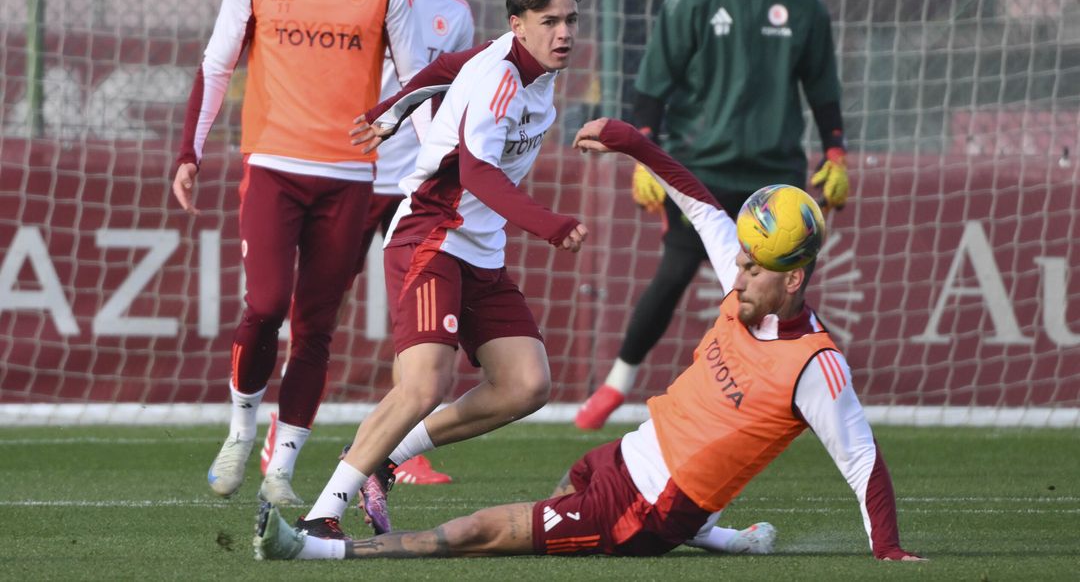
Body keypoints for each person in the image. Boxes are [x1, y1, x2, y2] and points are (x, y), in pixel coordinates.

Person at [254, 117, 924, 563]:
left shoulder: (815, 366)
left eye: (754, 269)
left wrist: (889, 553)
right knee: (560, 487)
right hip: (623, 457)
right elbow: (698, 203)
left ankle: (314, 549)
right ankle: (717, 534)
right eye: (741, 262)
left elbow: (862, 460)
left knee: (482, 531)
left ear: (796, 279)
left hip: (643, 511)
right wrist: (633, 142)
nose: (736, 277)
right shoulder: (746, 283)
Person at [288, 0, 588, 540]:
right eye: (550, 21)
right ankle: (322, 513)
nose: (565, 33)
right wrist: (548, 224)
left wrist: (390, 111)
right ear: (518, 24)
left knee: (526, 385)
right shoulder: (500, 74)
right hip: (431, 237)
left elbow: (448, 63)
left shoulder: (529, 66)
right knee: (424, 384)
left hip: (480, 250)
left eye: (571, 20)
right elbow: (476, 173)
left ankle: (388, 455)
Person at [172, 0, 427, 507]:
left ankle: (281, 468)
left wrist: (422, 153)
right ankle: (240, 429)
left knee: (315, 327)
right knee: (264, 306)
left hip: (349, 180)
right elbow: (216, 63)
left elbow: (422, 83)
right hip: (274, 168)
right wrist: (189, 154)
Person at [576, 0, 852, 430]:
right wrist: (645, 159)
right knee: (676, 270)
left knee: (782, 291)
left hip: (775, 176)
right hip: (702, 167)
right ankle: (616, 385)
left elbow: (823, 89)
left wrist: (837, 152)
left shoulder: (801, 2)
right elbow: (653, 87)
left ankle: (776, 396)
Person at [258, 0, 475, 488]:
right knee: (317, 312)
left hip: (418, 183)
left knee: (417, 319)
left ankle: (399, 448)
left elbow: (451, 98)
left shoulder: (454, 11)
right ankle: (283, 421)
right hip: (351, 172)